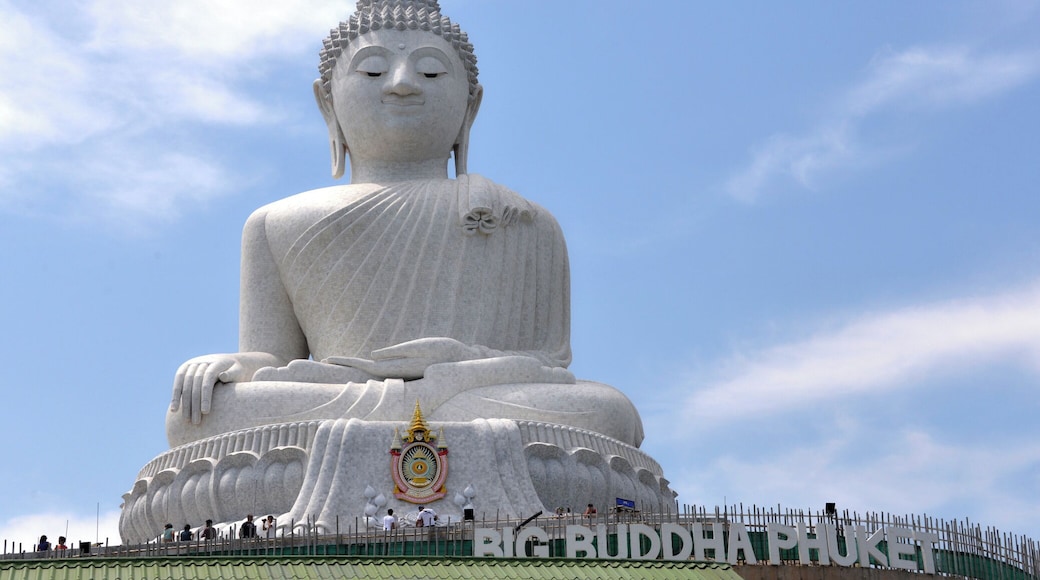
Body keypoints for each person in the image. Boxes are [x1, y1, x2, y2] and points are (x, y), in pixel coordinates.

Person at [164, 0, 643, 451]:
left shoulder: (526, 221)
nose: (401, 84)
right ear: (327, 102)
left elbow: (545, 366)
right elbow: (271, 358)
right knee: (200, 414)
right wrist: (235, 366)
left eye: (430, 71)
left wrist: (453, 364)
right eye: (373, 70)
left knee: (607, 412)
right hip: (345, 394)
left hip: (472, 393)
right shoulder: (275, 223)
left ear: (470, 106)